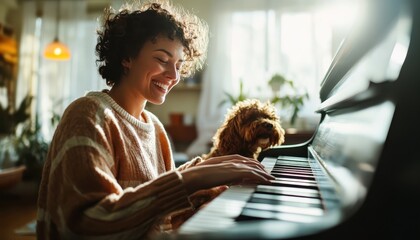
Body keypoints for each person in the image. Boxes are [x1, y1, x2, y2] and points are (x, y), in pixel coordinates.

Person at [36, 1, 274, 239]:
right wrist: (192, 178)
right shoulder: (88, 115)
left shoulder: (155, 128)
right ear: (127, 57)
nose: (173, 76)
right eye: (162, 60)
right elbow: (85, 224)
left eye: (179, 65)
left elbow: (160, 216)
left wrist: (207, 181)